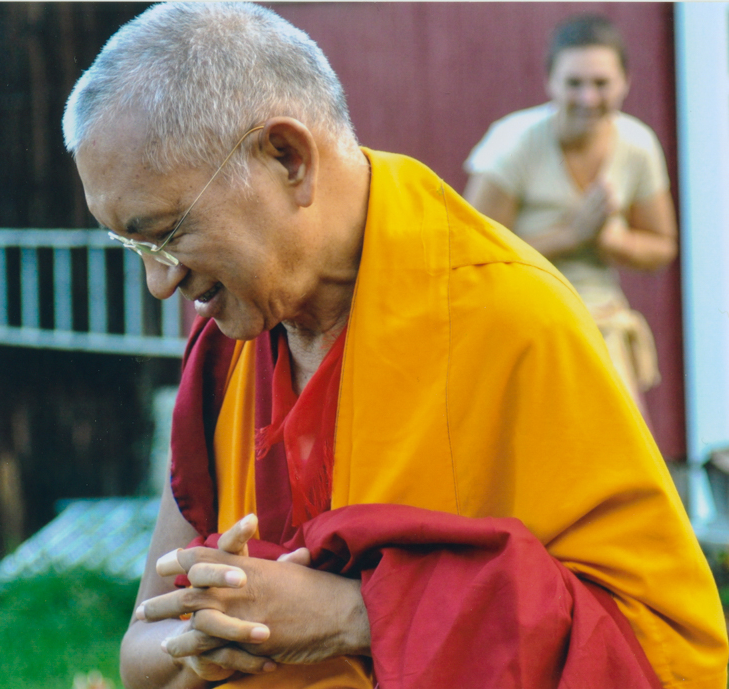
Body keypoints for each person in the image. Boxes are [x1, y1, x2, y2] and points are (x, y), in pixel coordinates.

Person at [61, 4, 727, 688]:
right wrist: (218, 628)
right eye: (133, 245)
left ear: (288, 158)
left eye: (166, 233)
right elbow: (143, 651)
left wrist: (356, 616)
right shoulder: (236, 336)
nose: (159, 283)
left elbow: (663, 654)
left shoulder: (509, 321)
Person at [463, 14, 677, 415]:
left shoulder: (638, 145)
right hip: (521, 319)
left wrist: (616, 242)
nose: (588, 98)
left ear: (625, 81)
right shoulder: (512, 144)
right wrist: (570, 235)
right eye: (574, 83)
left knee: (624, 448)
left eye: (601, 84)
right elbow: (470, 252)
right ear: (551, 82)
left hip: (602, 321)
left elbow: (662, 246)